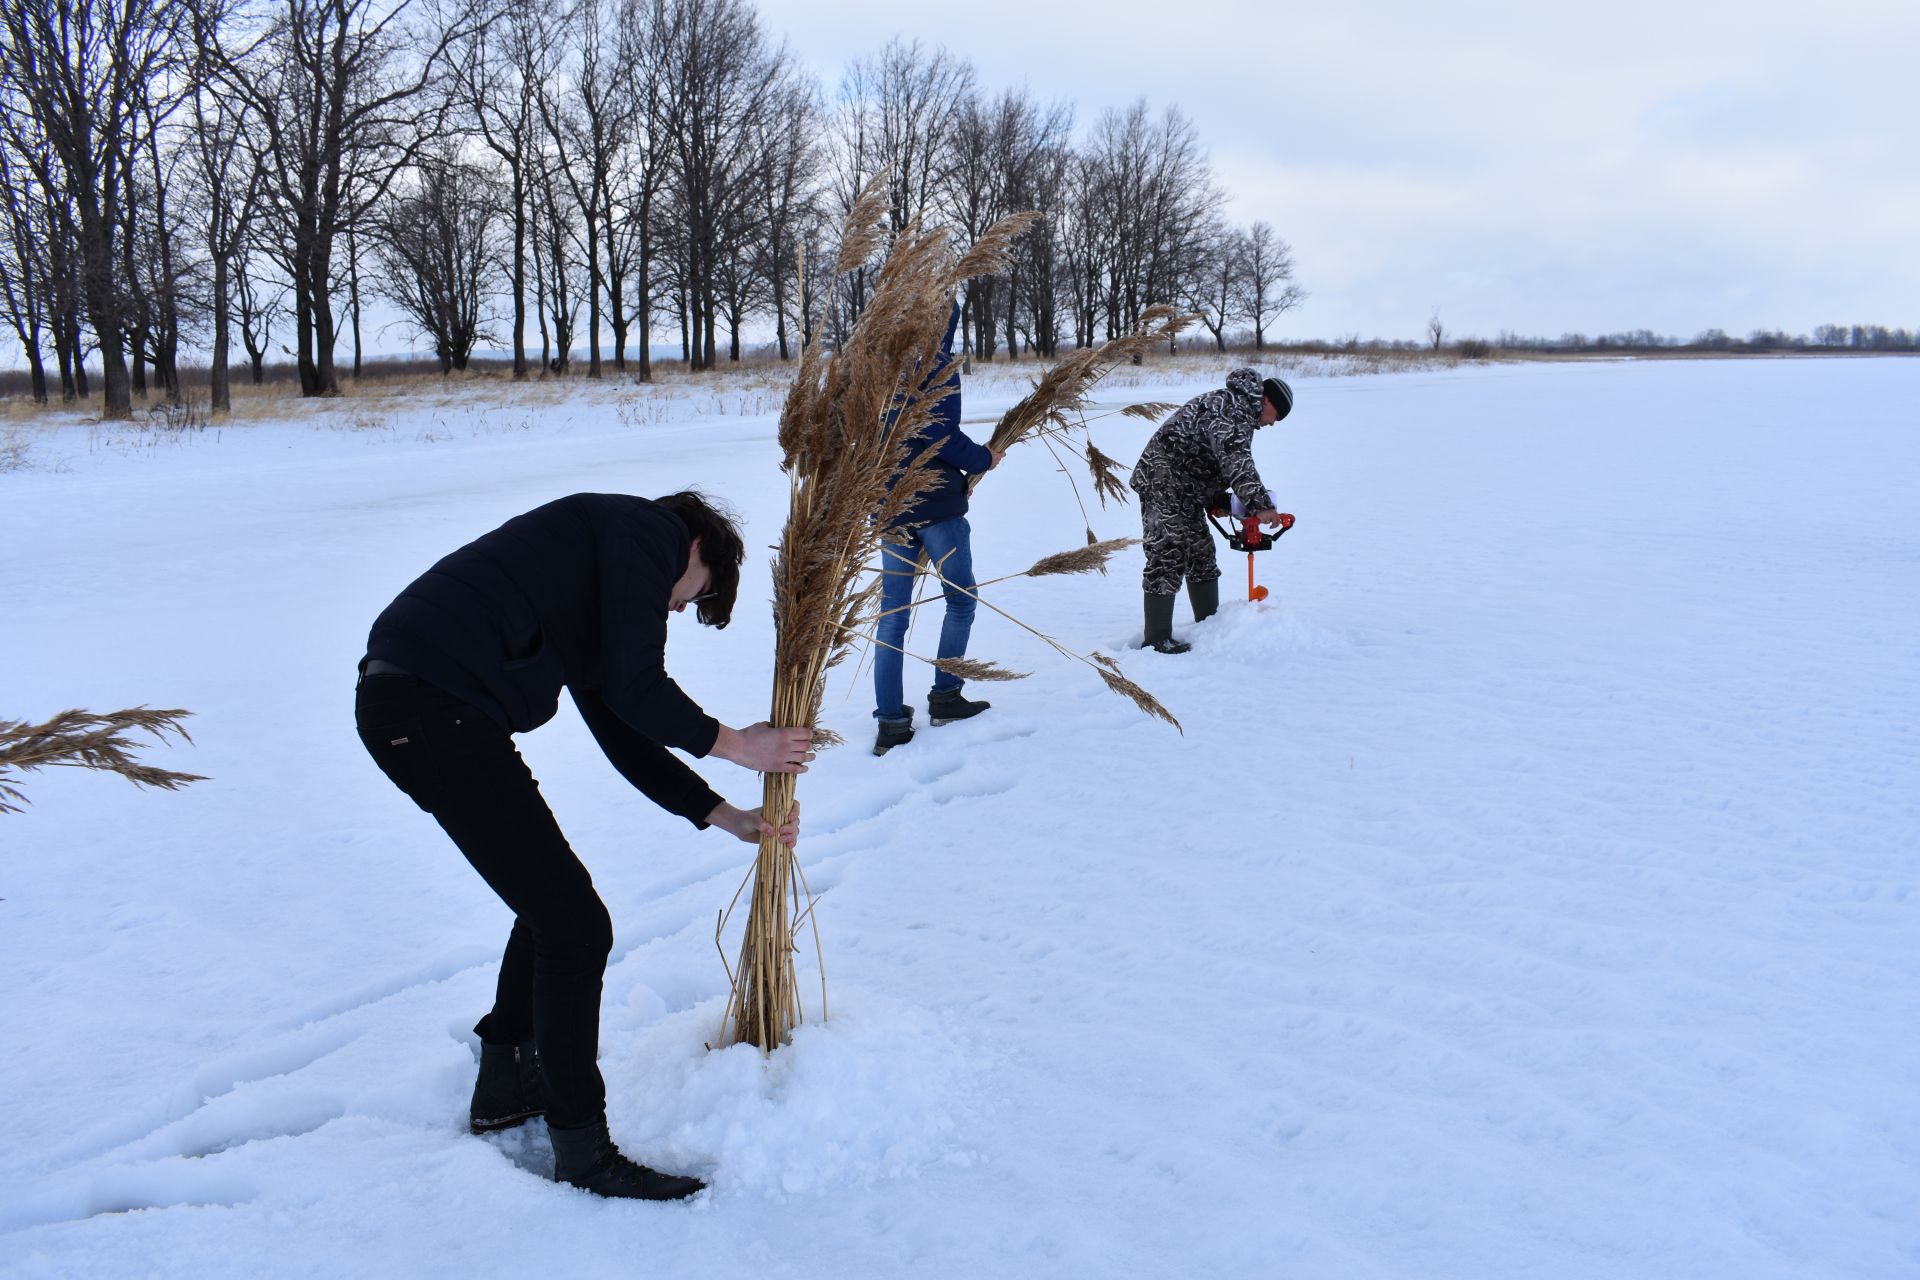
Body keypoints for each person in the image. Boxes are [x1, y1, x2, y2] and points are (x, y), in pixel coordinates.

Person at [353, 491, 811, 1201]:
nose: (678, 610)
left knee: (551, 906)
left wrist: (728, 816)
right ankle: (585, 1152)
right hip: (431, 707)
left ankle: (508, 1079)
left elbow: (626, 725)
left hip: (427, 708)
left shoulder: (597, 570)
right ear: (699, 549)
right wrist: (737, 744)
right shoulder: (650, 530)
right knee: (574, 924)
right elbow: (640, 686)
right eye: (697, 596)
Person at [871, 300, 1005, 755]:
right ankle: (945, 698)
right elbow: (942, 436)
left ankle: (891, 722)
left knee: (891, 620)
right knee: (961, 603)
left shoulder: (878, 365)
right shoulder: (937, 363)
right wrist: (984, 459)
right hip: (936, 506)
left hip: (889, 508)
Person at [1128, 369, 1292, 654]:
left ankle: (1210, 628)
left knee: (1201, 554)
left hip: (1186, 487)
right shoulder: (1233, 411)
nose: (1273, 424)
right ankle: (1156, 639)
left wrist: (1217, 499)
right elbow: (1236, 463)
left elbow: (1210, 459)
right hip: (1163, 481)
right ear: (1267, 401)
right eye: (1277, 416)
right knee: (1168, 553)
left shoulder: (1236, 408)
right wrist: (1262, 506)